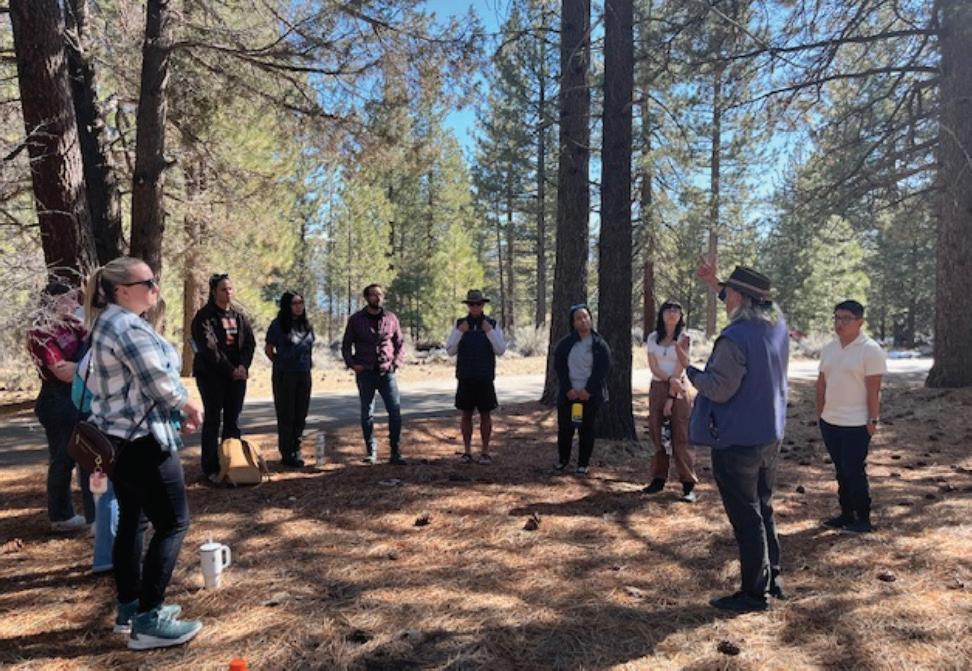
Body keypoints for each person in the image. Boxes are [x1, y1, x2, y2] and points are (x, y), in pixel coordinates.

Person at [84, 257, 204, 649]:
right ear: (122, 290)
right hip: (142, 443)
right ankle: (149, 620)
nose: (155, 288)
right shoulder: (126, 326)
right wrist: (188, 405)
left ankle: (130, 607)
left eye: (155, 281)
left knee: (133, 522)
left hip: (117, 441)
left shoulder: (106, 321)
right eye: (147, 282)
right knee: (174, 523)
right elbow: (158, 382)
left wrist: (173, 412)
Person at [671, 262, 787, 613]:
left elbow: (719, 389)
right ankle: (771, 577)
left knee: (746, 518)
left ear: (739, 297)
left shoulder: (734, 338)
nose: (725, 299)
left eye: (728, 293)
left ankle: (754, 594)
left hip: (737, 440)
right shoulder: (776, 327)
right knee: (763, 508)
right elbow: (748, 302)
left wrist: (688, 367)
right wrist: (716, 284)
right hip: (768, 434)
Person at [28, 279, 94, 533]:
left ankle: (95, 515)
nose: (76, 303)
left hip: (81, 398)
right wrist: (90, 367)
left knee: (89, 458)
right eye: (70, 297)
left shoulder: (75, 324)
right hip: (57, 401)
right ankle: (61, 516)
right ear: (54, 301)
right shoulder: (41, 333)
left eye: (77, 297)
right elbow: (61, 371)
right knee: (63, 458)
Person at [816, 300, 886, 533]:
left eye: (846, 319)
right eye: (837, 318)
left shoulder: (870, 350)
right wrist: (820, 414)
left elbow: (874, 389)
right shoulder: (829, 348)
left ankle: (863, 518)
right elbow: (822, 383)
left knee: (853, 469)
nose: (840, 323)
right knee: (840, 469)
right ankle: (846, 513)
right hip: (831, 420)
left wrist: (872, 419)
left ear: (860, 322)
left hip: (856, 422)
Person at [191, 273, 255, 483]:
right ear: (214, 292)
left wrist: (242, 366)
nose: (228, 293)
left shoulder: (239, 316)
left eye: (230, 289)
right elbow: (209, 348)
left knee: (232, 420)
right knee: (212, 419)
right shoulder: (204, 317)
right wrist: (229, 369)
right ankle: (211, 468)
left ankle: (233, 463)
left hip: (237, 377)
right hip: (212, 376)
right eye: (223, 289)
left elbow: (249, 343)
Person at [341, 283, 406, 465]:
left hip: (387, 372)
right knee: (367, 413)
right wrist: (352, 364)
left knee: (394, 411)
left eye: (380, 295)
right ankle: (371, 452)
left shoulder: (391, 318)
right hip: (366, 373)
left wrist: (396, 362)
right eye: (373, 295)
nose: (378, 298)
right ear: (367, 297)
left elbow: (400, 343)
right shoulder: (356, 320)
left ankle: (395, 452)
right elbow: (346, 345)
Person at [643, 300, 699, 502]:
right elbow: (653, 366)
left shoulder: (684, 338)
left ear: (681, 316)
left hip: (679, 388)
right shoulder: (653, 338)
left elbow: (681, 366)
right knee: (658, 433)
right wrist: (668, 382)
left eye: (676, 310)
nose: (672, 313)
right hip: (658, 386)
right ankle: (658, 479)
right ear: (662, 314)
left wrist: (671, 394)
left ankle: (688, 484)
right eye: (668, 309)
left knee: (681, 435)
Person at [445, 289, 507, 464]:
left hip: (485, 377)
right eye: (472, 304)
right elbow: (450, 350)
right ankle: (467, 451)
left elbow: (500, 350)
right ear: (468, 306)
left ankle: (485, 452)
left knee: (486, 415)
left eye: (478, 304)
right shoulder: (460, 324)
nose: (475, 307)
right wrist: (460, 332)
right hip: (465, 377)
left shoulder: (492, 324)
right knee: (466, 414)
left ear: (483, 305)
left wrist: (489, 332)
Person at [552, 304, 611, 475]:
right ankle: (563, 461)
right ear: (573, 323)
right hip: (569, 395)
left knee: (586, 429)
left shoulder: (600, 345)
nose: (583, 321)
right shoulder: (565, 345)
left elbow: (602, 370)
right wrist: (568, 389)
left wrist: (588, 390)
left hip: (589, 396)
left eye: (585, 317)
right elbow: (560, 368)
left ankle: (583, 464)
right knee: (565, 429)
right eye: (578, 318)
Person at [265, 291, 315, 468]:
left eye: (301, 302)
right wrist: (280, 363)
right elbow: (269, 349)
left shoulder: (306, 325)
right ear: (287, 305)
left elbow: (309, 347)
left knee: (301, 413)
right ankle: (287, 453)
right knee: (286, 414)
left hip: (304, 373)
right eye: (294, 303)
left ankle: (296, 448)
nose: (299, 306)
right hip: (285, 374)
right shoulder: (278, 325)